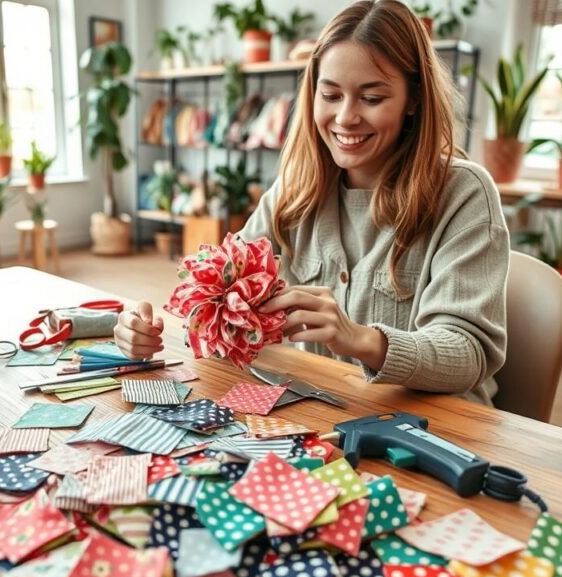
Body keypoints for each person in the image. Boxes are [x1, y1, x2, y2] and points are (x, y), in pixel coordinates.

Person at [115, 0, 509, 406]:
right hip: (332, 412)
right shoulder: (295, 189)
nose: (345, 118)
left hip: (442, 430)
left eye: (372, 98)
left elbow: (469, 353)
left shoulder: (464, 193)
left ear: (413, 100)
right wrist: (151, 330)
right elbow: (220, 303)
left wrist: (360, 339)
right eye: (331, 94)